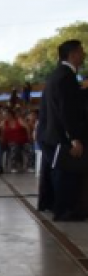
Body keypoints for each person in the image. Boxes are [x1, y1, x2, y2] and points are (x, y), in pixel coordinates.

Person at [41, 39, 87, 221]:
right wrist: (74, 137)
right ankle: (64, 210)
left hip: (51, 133)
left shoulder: (57, 75)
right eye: (81, 51)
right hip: (61, 135)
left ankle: (60, 207)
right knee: (65, 173)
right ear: (73, 54)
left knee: (60, 173)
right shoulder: (66, 77)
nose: (83, 54)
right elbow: (66, 110)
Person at [1, 107, 32, 172]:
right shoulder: (4, 123)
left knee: (28, 148)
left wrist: (29, 136)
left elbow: (27, 127)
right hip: (11, 142)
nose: (5, 116)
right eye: (4, 115)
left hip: (23, 140)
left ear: (10, 114)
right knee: (14, 147)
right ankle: (13, 166)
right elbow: (1, 132)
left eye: (6, 115)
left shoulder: (19, 120)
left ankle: (29, 166)